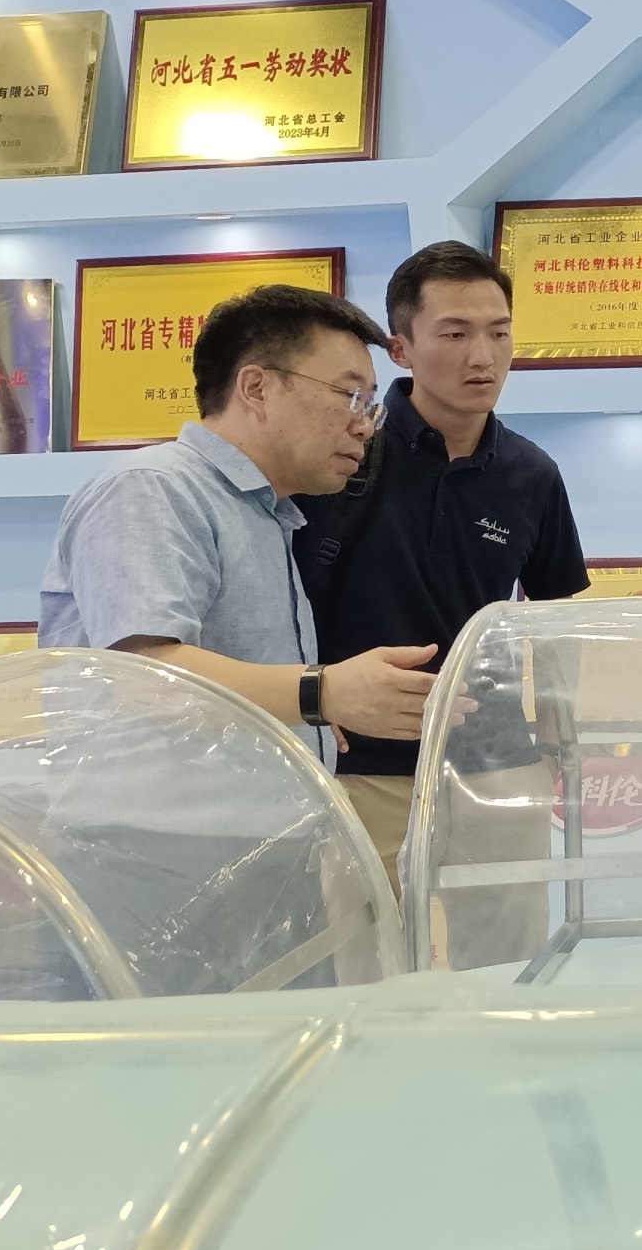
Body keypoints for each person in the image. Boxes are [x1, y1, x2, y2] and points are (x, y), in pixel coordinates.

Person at [38, 284, 436, 987]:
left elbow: (222, 678)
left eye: (371, 404)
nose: (365, 426)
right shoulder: (154, 487)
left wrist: (309, 715)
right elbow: (146, 677)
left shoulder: (265, 515)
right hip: (152, 862)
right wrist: (320, 693)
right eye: (349, 395)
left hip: (257, 857)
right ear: (256, 387)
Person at [295, 241, 588, 901]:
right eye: (454, 334)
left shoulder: (532, 473)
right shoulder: (343, 453)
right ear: (400, 349)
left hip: (497, 767)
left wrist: (553, 742)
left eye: (498, 333)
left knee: (509, 953)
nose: (482, 356)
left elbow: (557, 618)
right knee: (367, 951)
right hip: (360, 767)